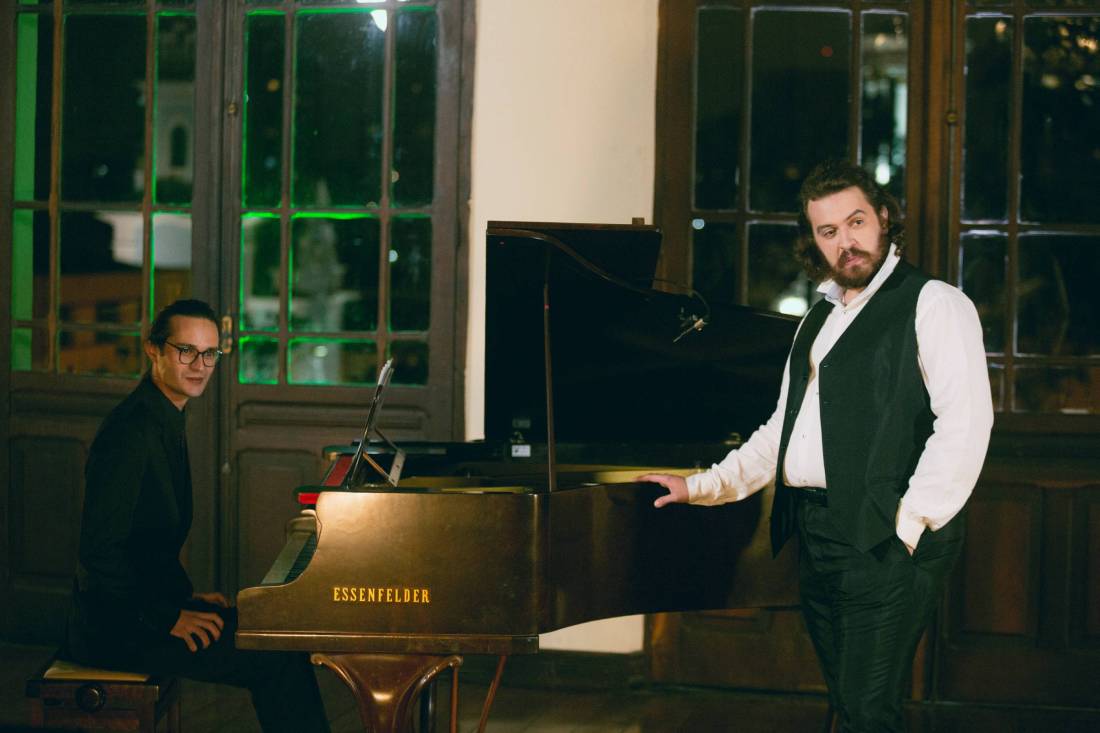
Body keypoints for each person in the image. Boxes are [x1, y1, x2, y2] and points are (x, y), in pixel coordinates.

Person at [640, 160, 994, 732]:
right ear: (814, 241)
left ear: (883, 218)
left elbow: (966, 423)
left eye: (856, 222)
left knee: (867, 710)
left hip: (886, 536)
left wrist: (909, 525)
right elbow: (782, 429)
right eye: (828, 231)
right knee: (849, 703)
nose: (845, 242)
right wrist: (701, 486)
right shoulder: (821, 316)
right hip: (818, 532)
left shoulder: (935, 303)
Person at [65, 298, 329, 733]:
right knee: (274, 659)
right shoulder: (130, 433)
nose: (199, 365)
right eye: (186, 350)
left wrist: (183, 600)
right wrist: (168, 616)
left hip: (147, 610)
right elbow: (99, 552)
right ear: (153, 349)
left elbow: (145, 546)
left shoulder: (164, 417)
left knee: (274, 637)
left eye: (209, 354)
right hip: (114, 629)